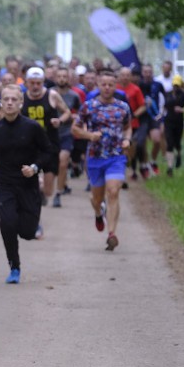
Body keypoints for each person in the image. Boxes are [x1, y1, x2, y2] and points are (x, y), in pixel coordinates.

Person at [0, 85, 55, 283]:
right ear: (0, 103)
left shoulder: (32, 127)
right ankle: (14, 266)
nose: (10, 103)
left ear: (21, 103)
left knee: (28, 232)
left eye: (14, 99)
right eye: (6, 99)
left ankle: (32, 225)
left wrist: (35, 167)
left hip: (28, 185)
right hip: (6, 184)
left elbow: (48, 151)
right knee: (7, 223)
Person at [71, 70, 132, 252]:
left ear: (116, 86)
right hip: (95, 157)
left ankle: (111, 234)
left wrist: (127, 139)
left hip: (116, 156)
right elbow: (75, 129)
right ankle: (98, 213)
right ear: (98, 85)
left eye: (110, 84)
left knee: (113, 192)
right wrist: (89, 135)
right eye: (103, 84)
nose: (107, 88)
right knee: (97, 199)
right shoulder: (89, 106)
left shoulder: (123, 107)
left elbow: (127, 127)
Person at [21, 66, 71, 221]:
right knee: (32, 180)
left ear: (43, 82)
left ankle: (41, 192)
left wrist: (59, 121)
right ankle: (33, 212)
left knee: (48, 190)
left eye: (39, 83)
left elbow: (67, 112)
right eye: (32, 83)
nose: (35, 86)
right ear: (26, 83)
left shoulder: (52, 95)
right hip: (29, 145)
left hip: (49, 145)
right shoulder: (21, 98)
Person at [52, 67, 82, 207]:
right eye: (59, 76)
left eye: (65, 76)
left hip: (66, 133)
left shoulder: (74, 96)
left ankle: (58, 193)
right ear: (55, 78)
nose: (62, 79)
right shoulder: (49, 94)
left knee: (63, 162)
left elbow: (80, 113)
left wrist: (75, 119)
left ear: (69, 78)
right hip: (49, 134)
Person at [139, 63, 167, 175]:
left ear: (152, 72)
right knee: (142, 143)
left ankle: (153, 161)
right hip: (142, 117)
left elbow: (166, 99)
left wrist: (163, 115)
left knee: (157, 140)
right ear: (142, 73)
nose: (147, 74)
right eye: (145, 72)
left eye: (149, 72)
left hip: (155, 116)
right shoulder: (139, 85)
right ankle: (144, 165)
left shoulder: (158, 84)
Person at [163, 74, 184, 175]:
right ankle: (170, 167)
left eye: (177, 85)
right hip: (168, 121)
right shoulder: (168, 94)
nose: (175, 87)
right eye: (174, 85)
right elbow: (165, 106)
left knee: (177, 142)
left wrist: (182, 110)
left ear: (180, 85)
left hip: (179, 122)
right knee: (169, 143)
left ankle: (179, 155)